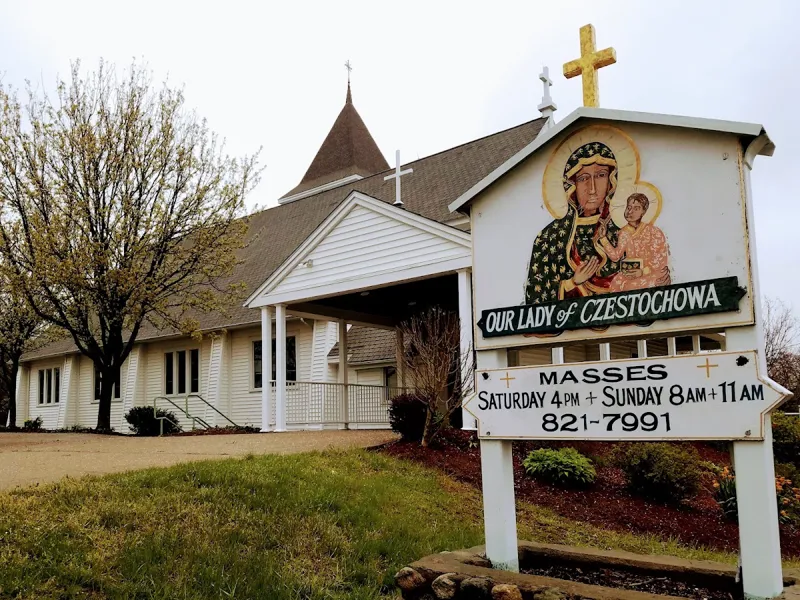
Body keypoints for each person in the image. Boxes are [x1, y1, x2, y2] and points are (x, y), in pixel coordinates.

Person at [525, 141, 621, 304]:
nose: (592, 188)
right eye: (583, 178)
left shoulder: (621, 235)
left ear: (611, 181)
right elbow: (535, 301)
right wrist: (572, 283)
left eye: (601, 175)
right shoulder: (549, 239)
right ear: (571, 185)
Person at [596, 192, 671, 292]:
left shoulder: (653, 232)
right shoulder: (624, 232)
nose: (630, 211)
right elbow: (616, 256)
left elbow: (660, 261)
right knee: (616, 283)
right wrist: (603, 238)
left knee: (631, 287)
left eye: (636, 208)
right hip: (631, 274)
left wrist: (642, 272)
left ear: (643, 212)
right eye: (629, 207)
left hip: (651, 273)